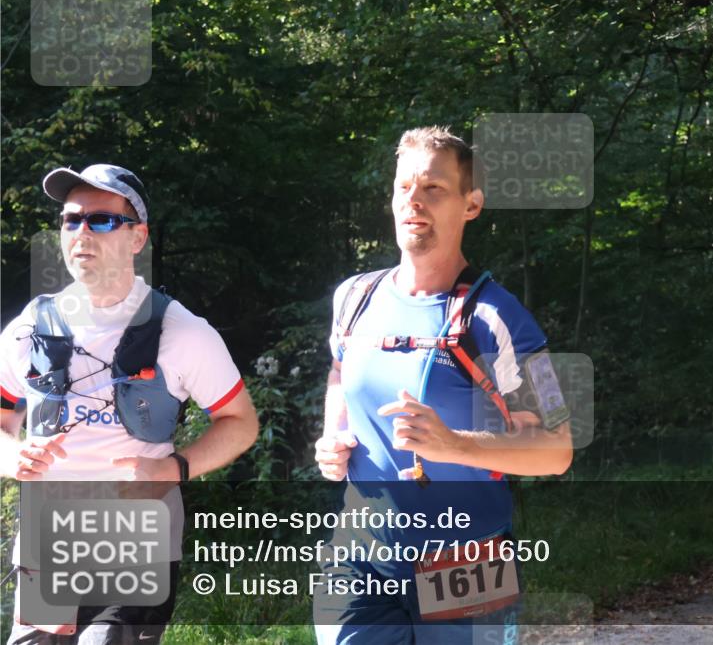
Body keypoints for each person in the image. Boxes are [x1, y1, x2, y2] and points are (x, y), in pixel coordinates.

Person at [314, 126, 573, 643]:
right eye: (403, 187)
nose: (415, 200)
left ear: (470, 205)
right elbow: (340, 370)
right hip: (360, 552)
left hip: (468, 560)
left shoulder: (502, 318)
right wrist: (332, 436)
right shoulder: (354, 298)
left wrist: (452, 444)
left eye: (434, 188)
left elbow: (557, 450)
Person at [0, 164, 259, 643]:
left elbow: (239, 422)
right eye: (71, 220)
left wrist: (173, 469)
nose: (82, 232)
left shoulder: (183, 332)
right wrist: (12, 454)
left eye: (101, 220)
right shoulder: (29, 326)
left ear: (137, 238)